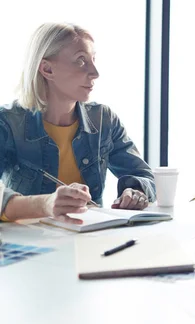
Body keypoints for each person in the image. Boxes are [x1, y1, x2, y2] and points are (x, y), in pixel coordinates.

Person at [0, 23, 155, 224]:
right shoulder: (7, 122)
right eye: (81, 61)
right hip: (31, 246)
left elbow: (143, 175)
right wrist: (45, 204)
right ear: (47, 69)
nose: (95, 73)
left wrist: (135, 191)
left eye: (93, 60)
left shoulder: (104, 119)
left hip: (89, 240)